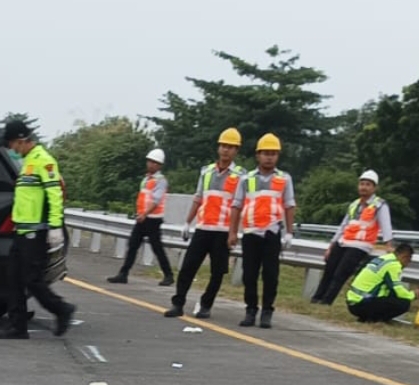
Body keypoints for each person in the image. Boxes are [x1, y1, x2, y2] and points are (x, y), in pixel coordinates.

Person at [0, 119, 76, 339]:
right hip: (22, 231)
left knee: (32, 279)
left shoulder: (44, 161)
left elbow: (54, 195)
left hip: (36, 232)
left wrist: (55, 226)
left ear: (21, 141)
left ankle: (62, 309)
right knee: (13, 277)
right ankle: (17, 326)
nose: (11, 149)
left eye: (12, 145)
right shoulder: (27, 162)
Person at [164, 128, 246, 319]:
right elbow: (198, 197)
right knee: (188, 268)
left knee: (217, 272)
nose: (226, 150)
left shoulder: (240, 175)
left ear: (236, 151)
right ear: (218, 148)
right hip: (203, 228)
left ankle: (206, 305)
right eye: (223, 146)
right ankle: (178, 303)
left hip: (223, 231)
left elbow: (238, 205)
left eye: (231, 147)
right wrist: (187, 222)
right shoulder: (206, 172)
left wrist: (233, 232)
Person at [228, 133, 296, 329]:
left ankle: (267, 311)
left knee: (271, 275)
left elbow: (289, 205)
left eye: (273, 154)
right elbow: (236, 205)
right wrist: (233, 232)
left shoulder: (284, 179)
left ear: (278, 156)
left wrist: (289, 232)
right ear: (258, 155)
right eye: (266, 153)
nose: (269, 157)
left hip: (272, 233)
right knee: (249, 275)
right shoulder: (246, 179)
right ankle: (250, 310)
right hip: (251, 233)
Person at [310, 170, 394, 305]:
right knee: (329, 270)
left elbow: (386, 226)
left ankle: (326, 301)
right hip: (344, 242)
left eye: (368, 184)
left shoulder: (379, 205)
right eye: (362, 184)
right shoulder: (354, 204)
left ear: (374, 188)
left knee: (340, 273)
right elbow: (343, 225)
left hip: (361, 245)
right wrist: (332, 245)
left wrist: (388, 245)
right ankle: (316, 298)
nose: (364, 187)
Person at [107, 148, 174, 286]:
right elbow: (143, 198)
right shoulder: (145, 179)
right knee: (132, 245)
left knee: (157, 248)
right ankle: (123, 274)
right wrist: (140, 214)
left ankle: (169, 275)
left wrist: (145, 214)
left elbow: (155, 201)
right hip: (142, 218)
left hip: (153, 219)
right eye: (149, 161)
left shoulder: (160, 181)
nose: (150, 164)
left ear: (159, 165)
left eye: (154, 162)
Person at [345, 242, 419, 323]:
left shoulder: (384, 258)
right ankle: (376, 319)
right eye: (409, 260)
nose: (408, 263)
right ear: (405, 257)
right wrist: (413, 295)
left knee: (392, 295)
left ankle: (366, 318)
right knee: (404, 303)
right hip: (362, 304)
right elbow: (397, 289)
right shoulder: (393, 265)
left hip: (353, 302)